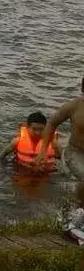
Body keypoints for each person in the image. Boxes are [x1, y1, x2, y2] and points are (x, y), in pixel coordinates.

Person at [37, 77, 84, 207]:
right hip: (75, 153)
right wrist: (43, 151)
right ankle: (77, 210)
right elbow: (51, 124)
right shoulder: (74, 106)